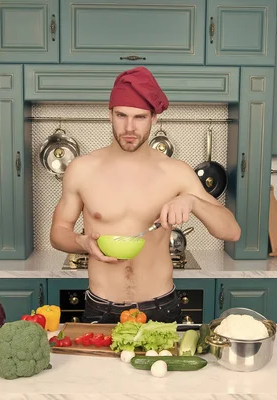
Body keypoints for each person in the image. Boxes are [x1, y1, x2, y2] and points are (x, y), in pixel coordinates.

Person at [50, 66, 241, 323]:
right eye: (121, 115)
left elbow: (231, 231)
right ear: (110, 115)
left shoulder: (175, 172)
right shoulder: (82, 169)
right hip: (101, 308)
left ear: (154, 119)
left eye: (139, 117)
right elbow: (58, 233)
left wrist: (192, 201)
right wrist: (83, 243)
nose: (129, 127)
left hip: (161, 308)